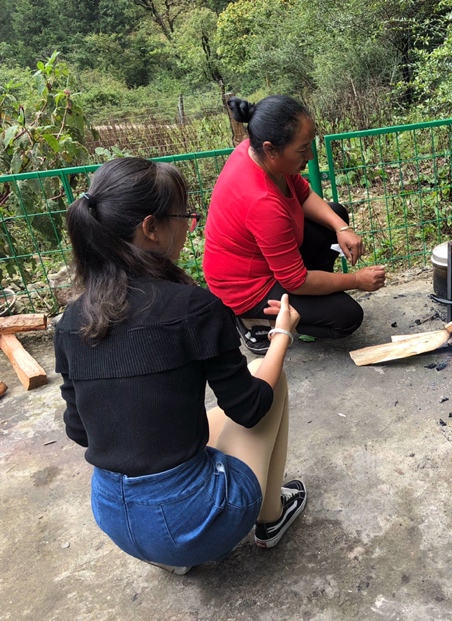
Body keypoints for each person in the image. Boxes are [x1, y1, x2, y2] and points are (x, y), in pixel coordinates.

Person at [54, 157, 306, 575]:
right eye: (184, 216)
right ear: (151, 227)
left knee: (195, 419)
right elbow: (250, 407)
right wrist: (281, 336)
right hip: (192, 523)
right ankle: (270, 516)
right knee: (272, 381)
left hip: (116, 521)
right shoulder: (192, 307)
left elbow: (80, 430)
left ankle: (169, 554)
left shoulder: (72, 319)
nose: (190, 227)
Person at [203, 94, 386, 353]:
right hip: (246, 288)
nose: (310, 156)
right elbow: (295, 281)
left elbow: (303, 193)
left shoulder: (254, 152)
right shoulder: (261, 201)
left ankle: (310, 297)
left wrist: (341, 228)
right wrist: (355, 280)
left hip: (267, 260)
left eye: (310, 144)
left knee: (335, 214)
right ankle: (255, 321)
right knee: (346, 317)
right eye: (302, 150)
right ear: (271, 149)